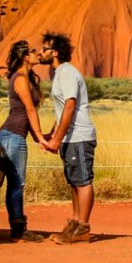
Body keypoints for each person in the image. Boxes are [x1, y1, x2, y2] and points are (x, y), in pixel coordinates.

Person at [40, 31, 96, 244]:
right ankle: (75, 223)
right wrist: (53, 134)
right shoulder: (59, 73)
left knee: (82, 181)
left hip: (79, 136)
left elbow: (70, 106)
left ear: (54, 52)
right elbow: (62, 110)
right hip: (69, 138)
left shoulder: (67, 72)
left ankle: (83, 227)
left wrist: (56, 140)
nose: (41, 52)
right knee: (74, 181)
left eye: (44, 49)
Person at [0, 39, 47, 242]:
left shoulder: (26, 78)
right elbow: (30, 110)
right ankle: (18, 229)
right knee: (17, 183)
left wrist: (37, 137)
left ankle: (17, 228)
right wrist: (40, 137)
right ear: (26, 57)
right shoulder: (20, 79)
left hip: (15, 135)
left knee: (16, 183)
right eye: (34, 52)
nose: (38, 54)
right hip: (12, 136)